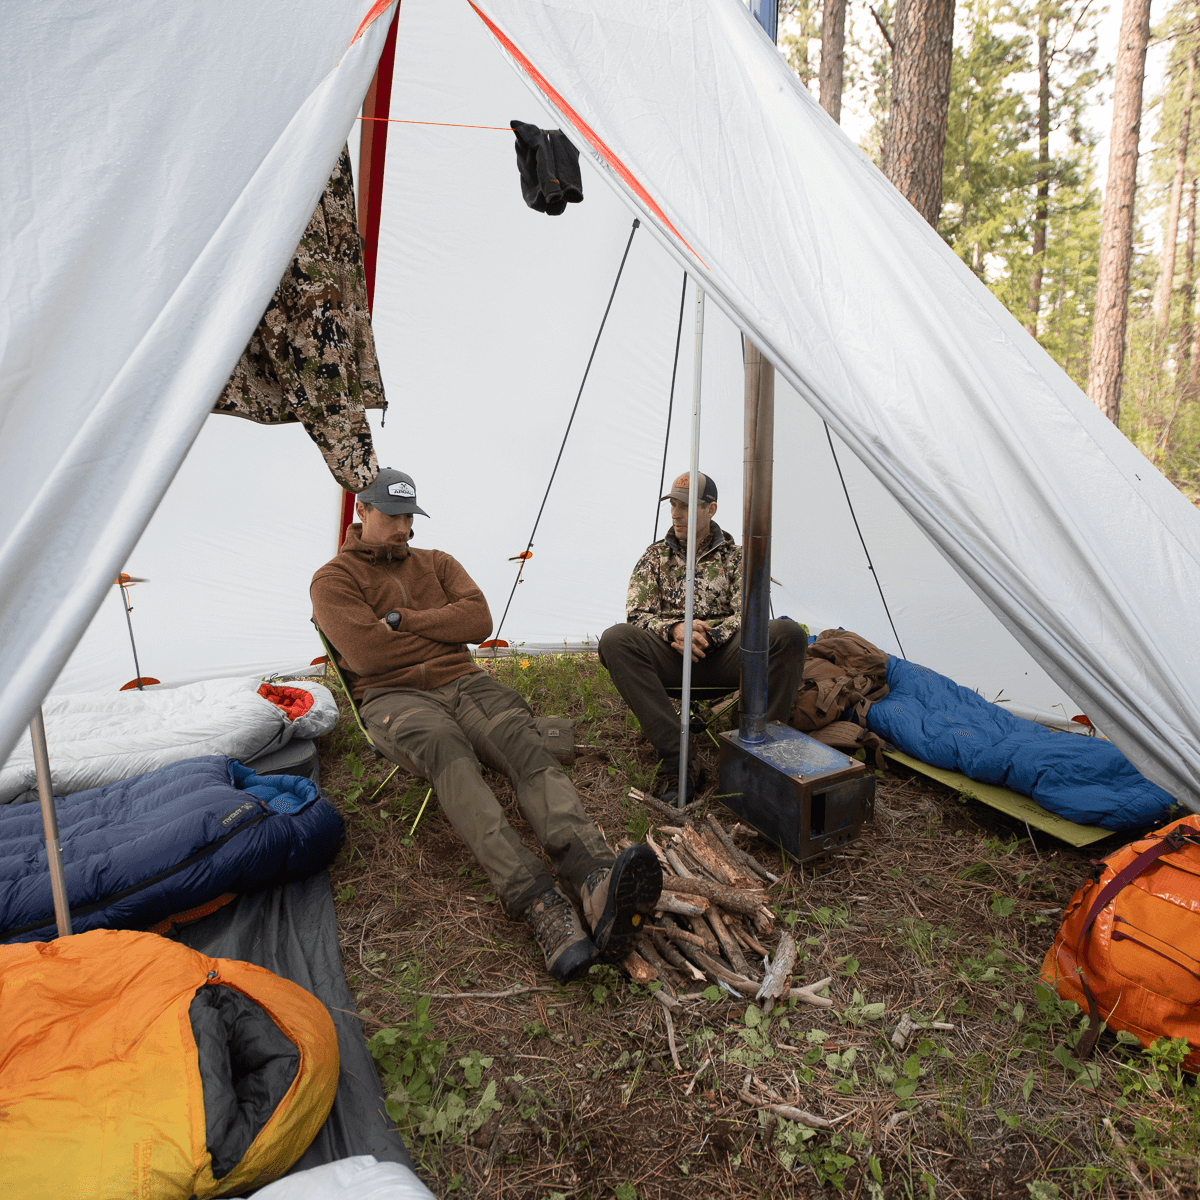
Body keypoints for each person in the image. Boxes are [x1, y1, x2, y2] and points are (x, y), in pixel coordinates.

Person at [311, 468, 661, 980]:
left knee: (522, 740)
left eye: (410, 516)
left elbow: (477, 622)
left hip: (464, 682)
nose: (405, 527)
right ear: (362, 510)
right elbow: (367, 655)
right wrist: (440, 631)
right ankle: (536, 898)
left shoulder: (437, 562)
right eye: (393, 515)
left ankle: (593, 875)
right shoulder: (334, 579)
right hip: (394, 695)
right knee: (445, 748)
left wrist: (405, 622)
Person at [598, 471, 807, 803]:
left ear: (711, 509)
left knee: (788, 634)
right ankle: (679, 758)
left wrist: (712, 636)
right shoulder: (655, 557)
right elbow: (637, 615)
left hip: (725, 657)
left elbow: (749, 613)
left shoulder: (737, 558)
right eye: (672, 505)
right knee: (615, 639)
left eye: (685, 506)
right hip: (670, 656)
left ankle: (759, 754)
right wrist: (675, 629)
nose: (675, 514)